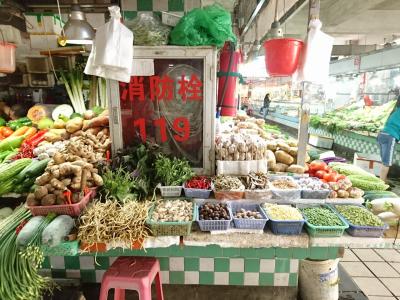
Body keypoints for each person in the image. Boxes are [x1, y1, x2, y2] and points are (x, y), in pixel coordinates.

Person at [377, 88, 400, 181]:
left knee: (384, 161)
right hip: (390, 136)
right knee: (387, 162)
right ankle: (382, 184)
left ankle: (384, 180)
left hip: (381, 135)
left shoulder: (396, 109)